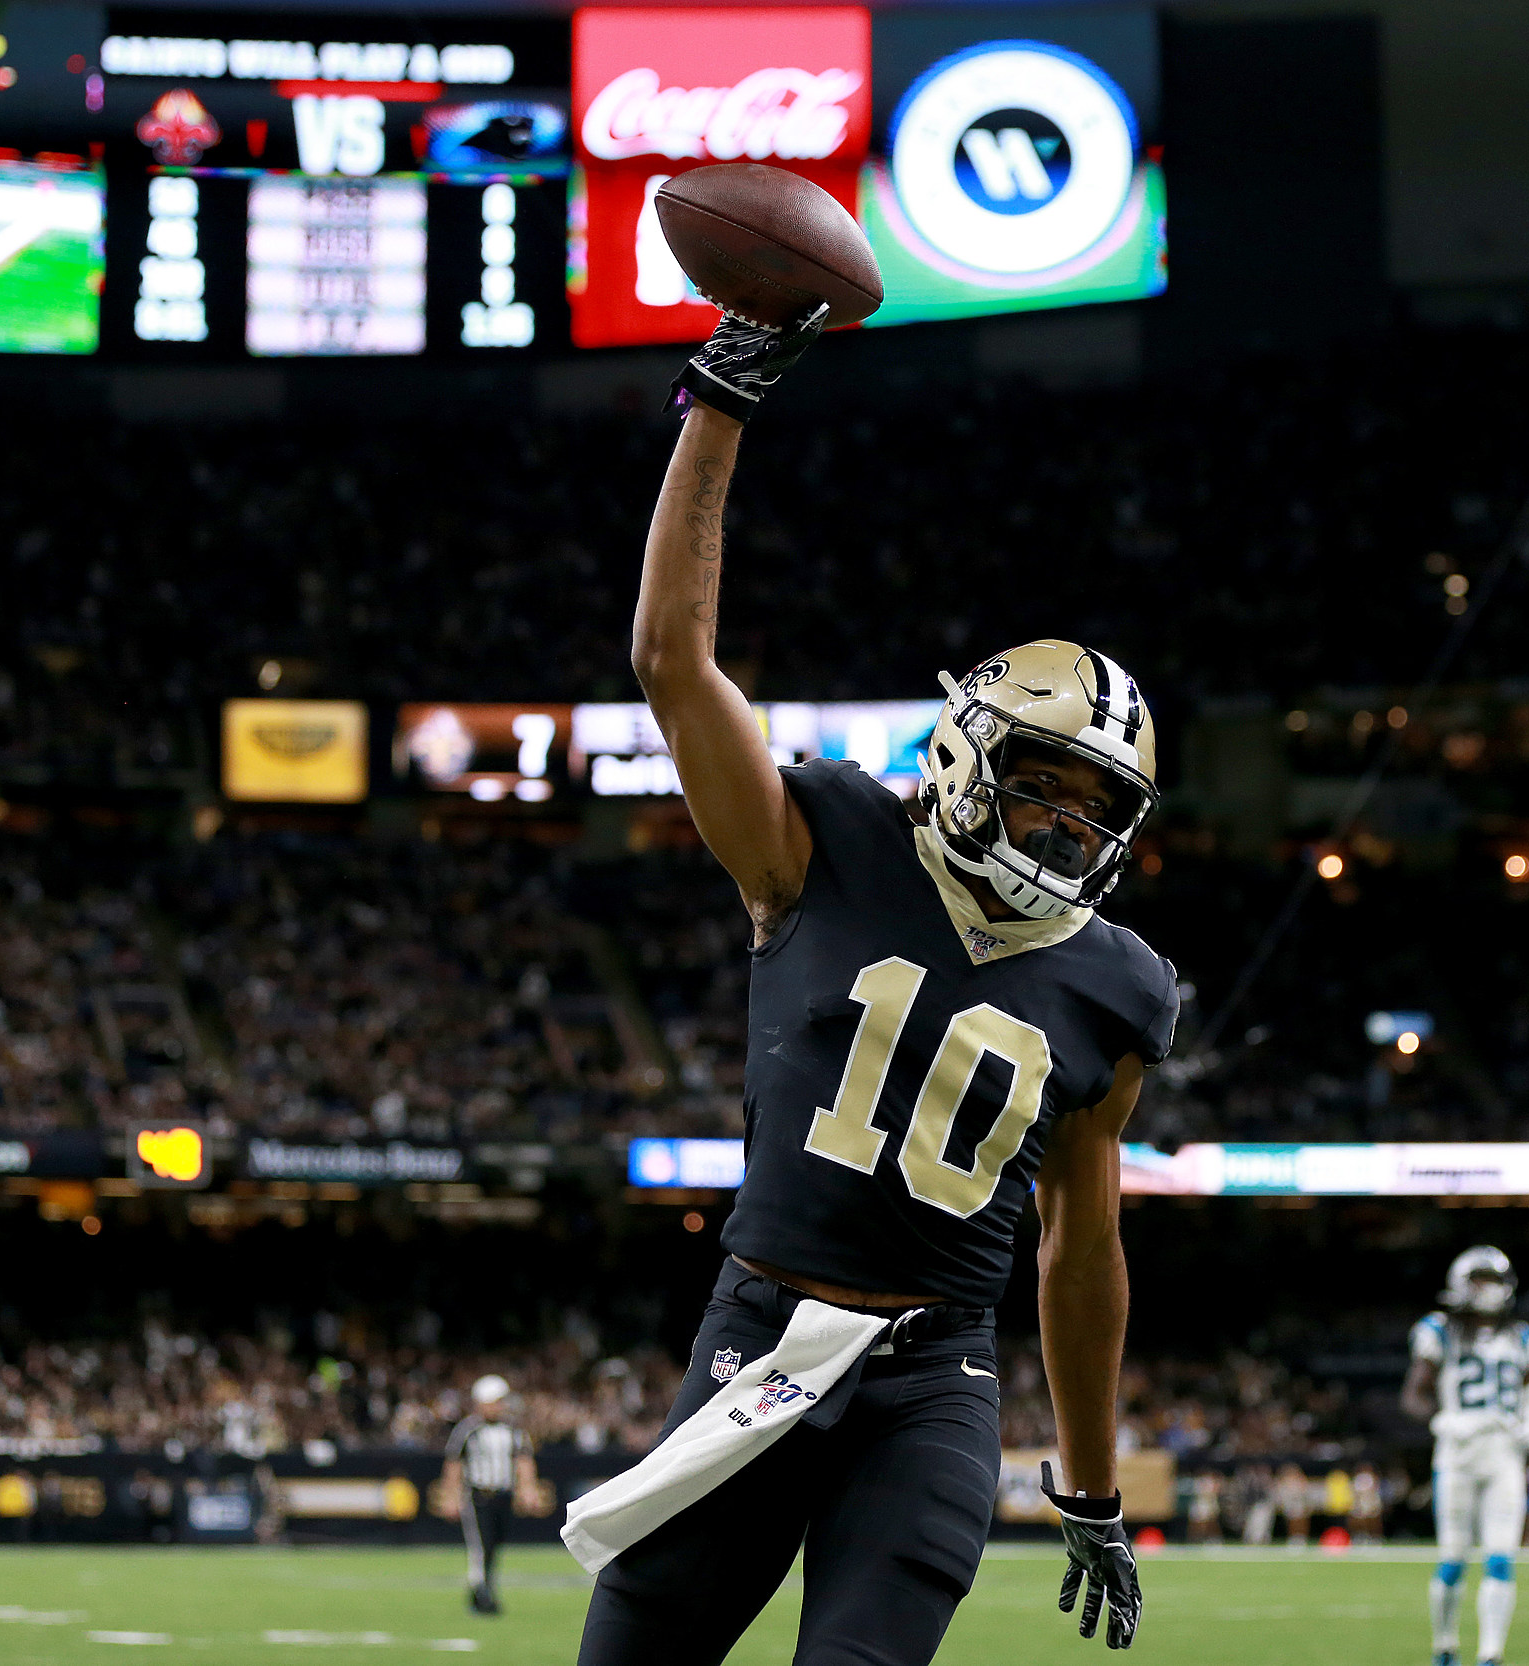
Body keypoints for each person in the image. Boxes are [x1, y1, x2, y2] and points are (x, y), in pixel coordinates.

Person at [566, 306, 1178, 1665]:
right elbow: (673, 663)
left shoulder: (1119, 988)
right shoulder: (827, 844)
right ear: (967, 760)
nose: (1070, 830)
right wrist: (716, 403)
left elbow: (1081, 1247)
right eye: (1045, 788)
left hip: (933, 1380)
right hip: (764, 1330)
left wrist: (1087, 1480)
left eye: (1099, 810)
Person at [1403, 1246, 1529, 1666]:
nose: (1489, 1290)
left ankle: (1491, 1654)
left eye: (1494, 1280)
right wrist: (1442, 1420)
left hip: (1504, 1454)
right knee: (1452, 1557)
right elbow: (1413, 1395)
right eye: (1480, 1279)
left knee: (1502, 1555)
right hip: (1457, 1454)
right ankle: (1445, 1647)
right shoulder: (1438, 1330)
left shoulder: (1523, 1336)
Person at [441, 1374, 537, 1616]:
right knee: (481, 1546)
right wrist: (450, 1495)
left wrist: (527, 1488)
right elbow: (454, 1464)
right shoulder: (468, 1430)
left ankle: (479, 1590)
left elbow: (524, 1459)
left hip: (503, 1494)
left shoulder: (513, 1430)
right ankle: (483, 1593)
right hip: (478, 1496)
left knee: (494, 1545)